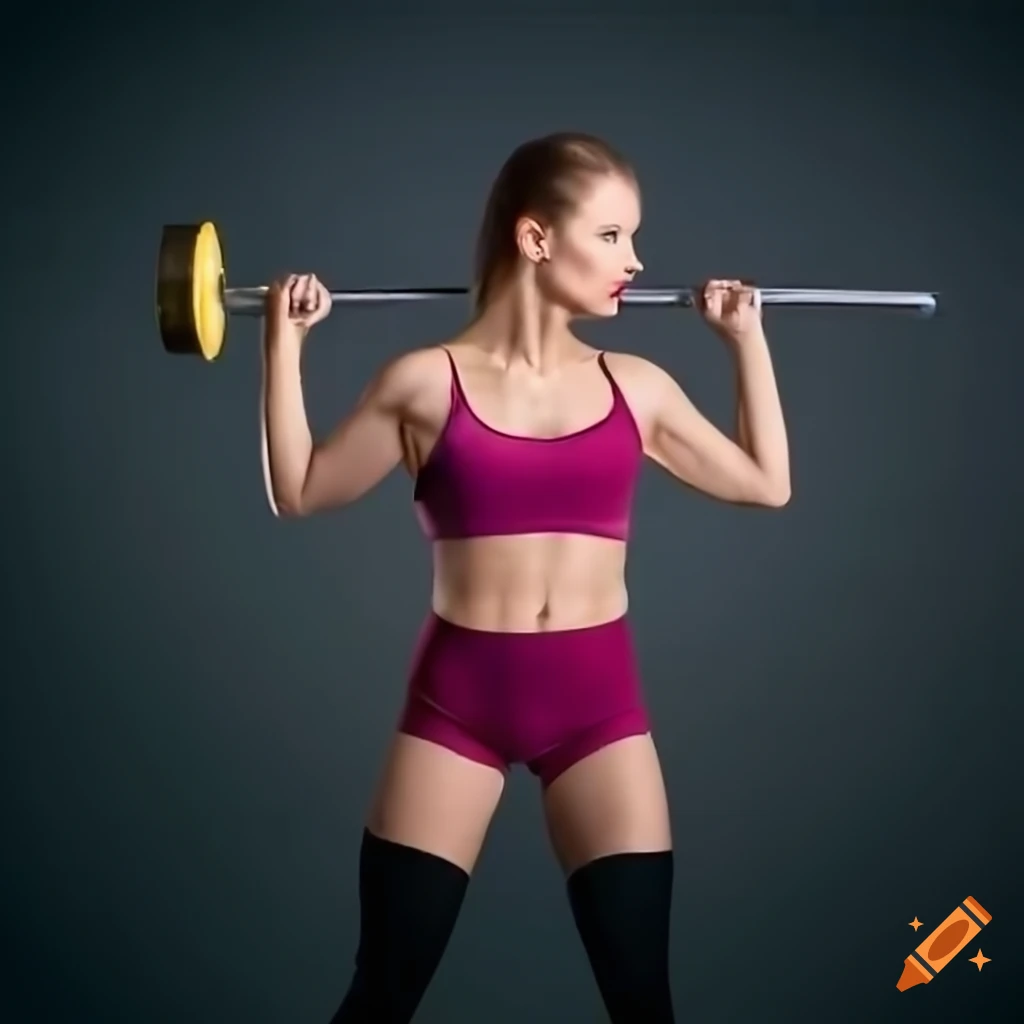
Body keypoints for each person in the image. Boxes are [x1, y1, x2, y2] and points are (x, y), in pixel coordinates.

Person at [261, 131, 791, 1023]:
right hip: (457, 704)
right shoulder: (424, 384)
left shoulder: (639, 387)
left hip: (598, 707)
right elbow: (302, 490)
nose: (637, 260)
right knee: (382, 994)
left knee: (642, 1001)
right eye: (613, 236)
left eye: (633, 239)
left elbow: (767, 484)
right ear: (537, 238)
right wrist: (284, 347)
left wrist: (747, 342)